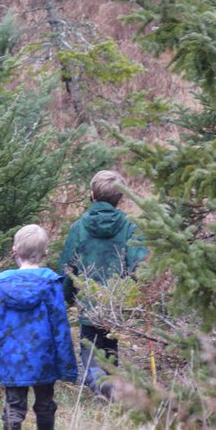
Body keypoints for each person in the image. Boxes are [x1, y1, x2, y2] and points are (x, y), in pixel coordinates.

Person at [0, 224, 78, 430]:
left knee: (14, 404)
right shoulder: (50, 284)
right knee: (45, 403)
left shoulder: (1, 284)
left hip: (11, 357)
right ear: (45, 253)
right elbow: (60, 326)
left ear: (15, 250)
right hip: (43, 356)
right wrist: (66, 364)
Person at [58, 170, 147, 398]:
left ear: (91, 195)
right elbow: (140, 267)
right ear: (121, 198)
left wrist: (64, 299)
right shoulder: (129, 227)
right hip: (116, 303)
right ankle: (108, 387)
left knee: (90, 346)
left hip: (88, 303)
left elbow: (68, 268)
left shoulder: (79, 227)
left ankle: (99, 384)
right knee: (109, 347)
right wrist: (141, 295)